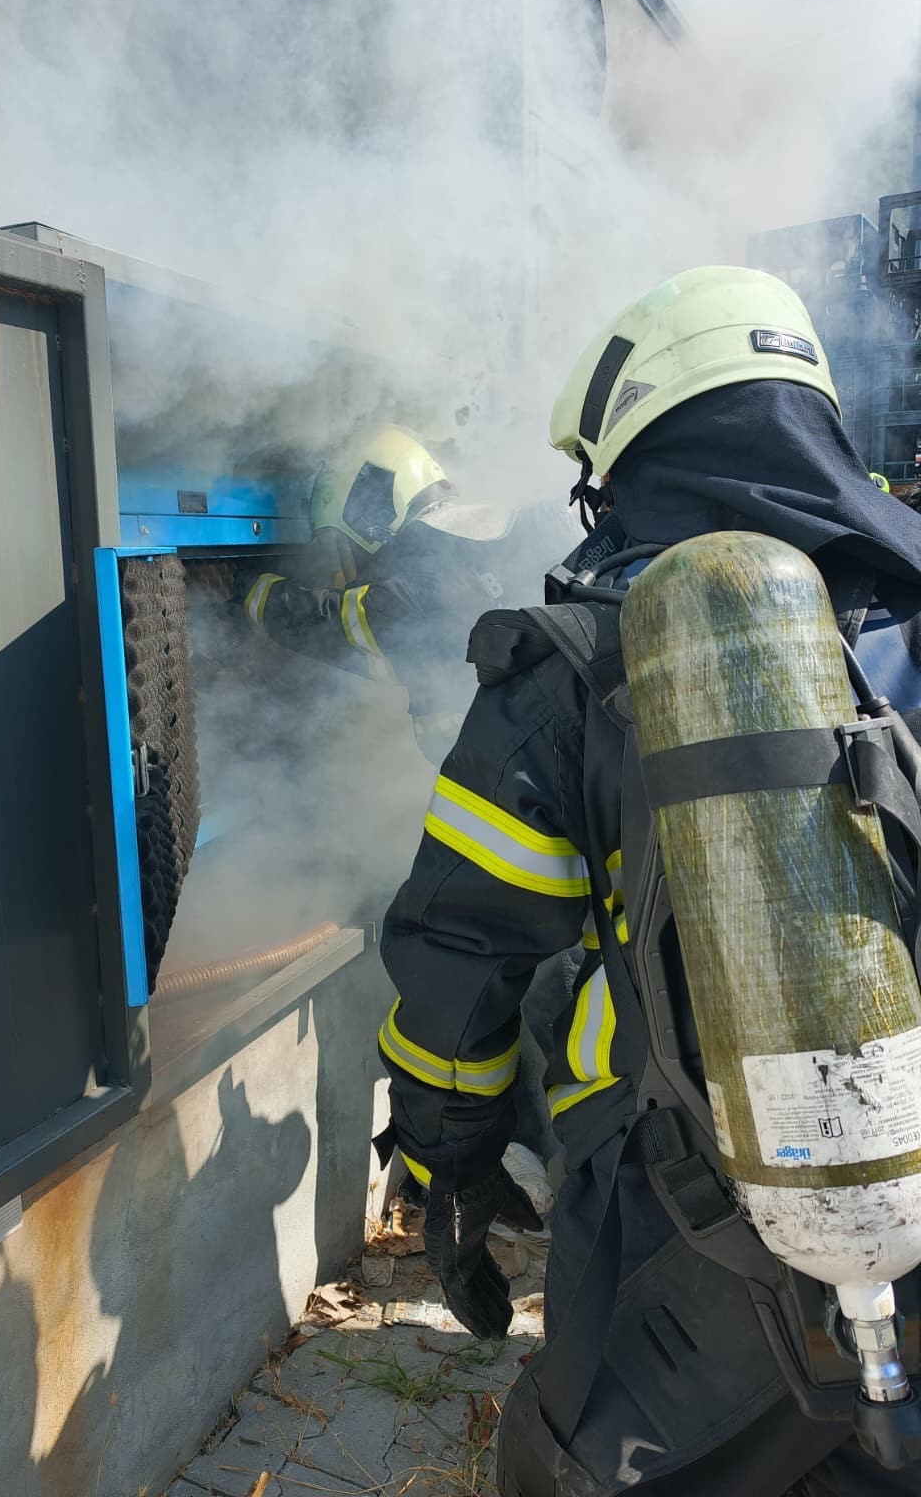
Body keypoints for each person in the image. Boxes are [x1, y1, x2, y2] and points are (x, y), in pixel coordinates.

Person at [376, 266, 921, 1496]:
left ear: (628, 456)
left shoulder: (576, 659)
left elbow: (461, 955)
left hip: (696, 1239)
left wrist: (443, 1158)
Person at [237, 424, 567, 767]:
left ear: (367, 516)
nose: (348, 569)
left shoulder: (420, 584)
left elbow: (328, 624)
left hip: (533, 791)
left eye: (342, 545)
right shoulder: (509, 525)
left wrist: (240, 586)